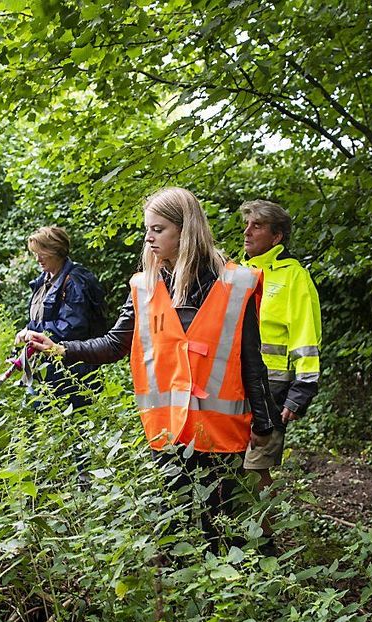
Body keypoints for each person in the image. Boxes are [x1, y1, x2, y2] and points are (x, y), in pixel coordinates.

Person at [19, 187, 277, 545]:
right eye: (147, 229)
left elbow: (252, 360)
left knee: (223, 532)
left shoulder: (234, 283)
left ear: (185, 231)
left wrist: (266, 423)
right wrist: (59, 347)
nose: (149, 238)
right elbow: (113, 344)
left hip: (220, 436)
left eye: (158, 229)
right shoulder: (145, 285)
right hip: (168, 435)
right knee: (175, 535)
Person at [240, 200, 322, 496]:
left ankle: (267, 542)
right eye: (247, 225)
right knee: (232, 469)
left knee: (254, 471)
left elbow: (306, 336)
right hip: (233, 387)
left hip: (273, 389)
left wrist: (301, 392)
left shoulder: (294, 276)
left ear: (277, 237)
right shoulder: (238, 273)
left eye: (257, 226)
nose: (247, 232)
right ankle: (236, 538)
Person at [14, 226, 105, 410]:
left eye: (42, 253)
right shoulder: (43, 280)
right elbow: (41, 318)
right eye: (35, 254)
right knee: (35, 421)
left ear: (56, 251)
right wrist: (27, 330)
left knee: (72, 424)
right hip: (45, 368)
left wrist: (34, 332)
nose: (38, 259)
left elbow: (72, 327)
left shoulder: (75, 281)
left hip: (73, 369)